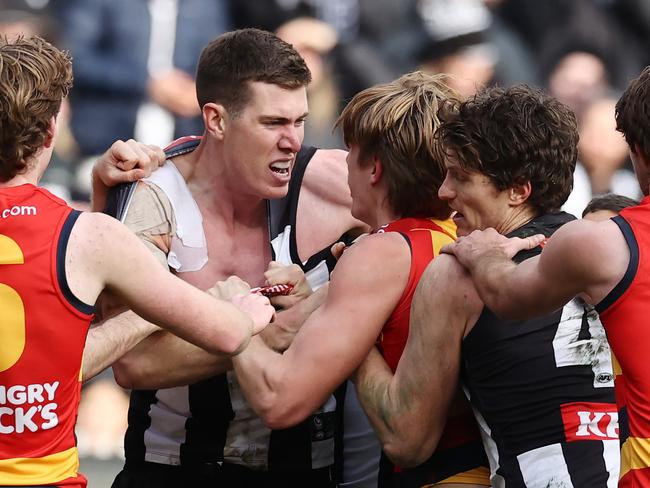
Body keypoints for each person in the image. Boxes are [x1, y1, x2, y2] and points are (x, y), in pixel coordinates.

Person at [87, 28, 367, 487]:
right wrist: (267, 332)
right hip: (177, 470)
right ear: (215, 120)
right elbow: (135, 364)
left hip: (306, 471)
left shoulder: (332, 182)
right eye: (273, 123)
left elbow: (430, 223)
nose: (292, 140)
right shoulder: (155, 199)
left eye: (300, 121)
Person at [0, 35, 273, 488]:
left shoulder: (89, 233)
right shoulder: (88, 236)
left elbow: (52, 357)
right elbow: (227, 333)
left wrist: (102, 193)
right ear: (50, 131)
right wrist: (235, 310)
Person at [224, 71, 490, 487]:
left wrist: (234, 321)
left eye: (350, 151)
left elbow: (280, 400)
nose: (343, 161)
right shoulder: (462, 235)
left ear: (374, 169)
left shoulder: (381, 252)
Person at [352, 84, 621, 487]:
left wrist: (355, 333)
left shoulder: (456, 276)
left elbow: (407, 439)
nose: (444, 192)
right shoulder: (614, 249)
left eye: (460, 176)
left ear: (518, 191)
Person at [443, 67, 650, 487]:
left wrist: (485, 254)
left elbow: (506, 294)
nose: (444, 191)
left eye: (460, 176)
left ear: (639, 151)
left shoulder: (602, 243)